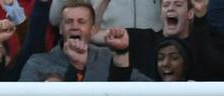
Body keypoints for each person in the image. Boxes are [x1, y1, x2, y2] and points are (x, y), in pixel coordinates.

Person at [20, 0, 150, 81]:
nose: (75, 26)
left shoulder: (106, 58)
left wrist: (122, 53)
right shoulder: (38, 63)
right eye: (69, 22)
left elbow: (145, 88)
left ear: (93, 30)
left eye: (81, 22)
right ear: (60, 28)